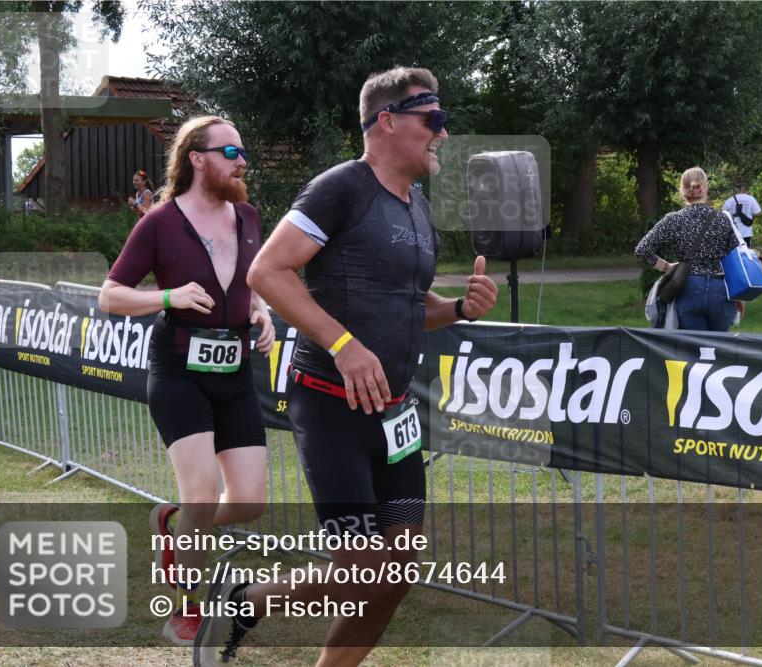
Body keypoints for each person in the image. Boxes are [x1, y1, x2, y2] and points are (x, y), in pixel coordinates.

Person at [193, 67, 498, 667]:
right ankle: (243, 600)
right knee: (361, 571)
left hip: (394, 414)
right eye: (432, 120)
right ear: (387, 122)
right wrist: (343, 345)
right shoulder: (342, 188)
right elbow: (268, 272)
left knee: (397, 574)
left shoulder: (416, 209)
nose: (442, 133)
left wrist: (459, 308)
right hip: (331, 404)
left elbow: (409, 306)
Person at [98, 116, 274, 645]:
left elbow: (252, 282)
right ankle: (190, 606)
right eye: (230, 151)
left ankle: (177, 529)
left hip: (236, 374)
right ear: (197, 158)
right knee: (201, 496)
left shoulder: (247, 216)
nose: (241, 159)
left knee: (249, 502)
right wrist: (168, 297)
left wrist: (262, 311)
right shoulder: (160, 221)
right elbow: (110, 295)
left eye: (242, 150)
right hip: (178, 374)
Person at [635, 167, 742, 331]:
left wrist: (667, 267)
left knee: (693, 351)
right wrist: (739, 296)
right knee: (718, 349)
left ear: (682, 189)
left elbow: (642, 250)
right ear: (705, 187)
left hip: (688, 288)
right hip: (719, 290)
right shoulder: (723, 219)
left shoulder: (673, 220)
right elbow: (737, 258)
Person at [722, 181, 761, 247]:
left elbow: (724, 216)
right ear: (743, 188)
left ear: (734, 189)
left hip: (733, 232)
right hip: (747, 231)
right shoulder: (751, 199)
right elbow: (757, 212)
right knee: (747, 252)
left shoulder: (728, 201)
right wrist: (749, 218)